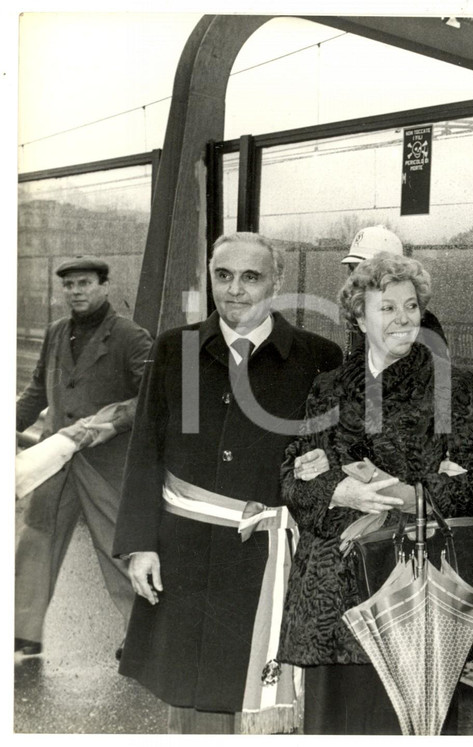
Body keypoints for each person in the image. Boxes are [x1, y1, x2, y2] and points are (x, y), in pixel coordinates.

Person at [112, 232, 342, 734]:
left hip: (267, 561)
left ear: (276, 283)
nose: (234, 289)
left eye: (251, 277)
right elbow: (146, 450)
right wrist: (138, 546)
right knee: (188, 701)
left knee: (261, 702)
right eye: (223, 275)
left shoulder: (317, 358)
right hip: (184, 553)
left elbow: (331, 461)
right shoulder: (179, 348)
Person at [276, 252, 473, 734]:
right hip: (335, 593)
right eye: (387, 307)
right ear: (358, 315)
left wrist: (388, 488)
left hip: (414, 590)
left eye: (410, 306)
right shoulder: (330, 386)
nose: (402, 318)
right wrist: (341, 488)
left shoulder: (451, 386)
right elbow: (292, 475)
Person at [14, 256, 153, 658]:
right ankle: (23, 630)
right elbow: (37, 390)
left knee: (118, 548)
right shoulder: (57, 332)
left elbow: (149, 396)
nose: (75, 292)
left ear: (105, 286)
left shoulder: (130, 336)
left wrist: (106, 423)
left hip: (105, 461)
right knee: (36, 539)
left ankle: (141, 636)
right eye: (69, 285)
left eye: (85, 283)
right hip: (54, 459)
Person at [341, 225, 446, 353]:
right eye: (353, 269)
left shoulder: (421, 326)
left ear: (395, 272)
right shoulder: (359, 316)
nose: (356, 278)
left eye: (365, 269)